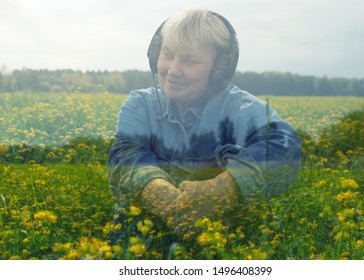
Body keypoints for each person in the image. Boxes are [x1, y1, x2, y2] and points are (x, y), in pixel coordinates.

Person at [108, 8, 301, 254]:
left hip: (220, 249)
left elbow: (285, 147)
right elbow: (125, 155)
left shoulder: (240, 108)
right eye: (167, 54)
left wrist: (223, 190)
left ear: (218, 70)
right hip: (142, 243)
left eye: (190, 60)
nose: (173, 69)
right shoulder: (140, 104)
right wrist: (162, 197)